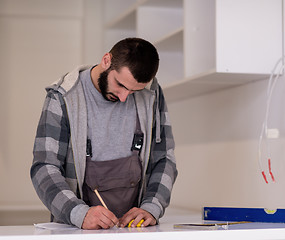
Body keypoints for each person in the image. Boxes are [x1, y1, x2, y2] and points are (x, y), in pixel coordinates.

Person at [30, 37, 178, 230]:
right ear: (106, 60)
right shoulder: (62, 97)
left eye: (134, 91)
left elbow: (164, 158)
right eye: (121, 85)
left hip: (135, 231)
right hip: (78, 229)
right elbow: (44, 167)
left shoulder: (151, 94)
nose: (124, 98)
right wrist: (78, 213)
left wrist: (152, 207)